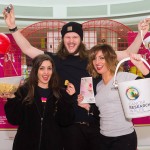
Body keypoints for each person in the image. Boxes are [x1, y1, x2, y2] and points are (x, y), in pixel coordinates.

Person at [2, 4, 150, 150]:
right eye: (67, 37)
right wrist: (13, 28)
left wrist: (141, 34)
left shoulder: (94, 58)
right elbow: (28, 48)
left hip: (97, 126)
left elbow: (128, 53)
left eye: (75, 37)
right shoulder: (54, 59)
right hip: (70, 128)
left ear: (81, 39)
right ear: (62, 39)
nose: (71, 40)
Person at [78, 44, 150, 150]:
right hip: (103, 138)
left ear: (110, 59)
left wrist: (141, 66)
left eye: (101, 58)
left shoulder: (123, 77)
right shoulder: (99, 85)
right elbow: (102, 113)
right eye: (94, 58)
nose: (97, 62)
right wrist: (88, 107)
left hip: (123, 138)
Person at [1, 54, 76, 150]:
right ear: (36, 70)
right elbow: (14, 119)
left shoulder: (60, 93)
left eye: (49, 68)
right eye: (42, 68)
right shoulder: (24, 91)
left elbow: (66, 121)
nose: (46, 72)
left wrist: (68, 99)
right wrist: (12, 99)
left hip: (52, 145)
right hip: (25, 145)